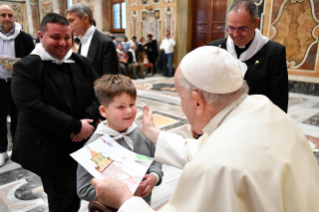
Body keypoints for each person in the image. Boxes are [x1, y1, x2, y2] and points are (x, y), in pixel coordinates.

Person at [90, 46, 319, 212]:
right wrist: (155, 134)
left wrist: (125, 200)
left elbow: (213, 158)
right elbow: (204, 148)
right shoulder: (263, 108)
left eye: (180, 97)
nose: (181, 105)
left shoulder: (216, 167)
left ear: (198, 102)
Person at [11, 13, 100, 212]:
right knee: (61, 197)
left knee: (78, 189)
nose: (63, 43)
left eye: (67, 37)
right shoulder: (25, 67)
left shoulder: (82, 63)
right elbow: (34, 107)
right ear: (41, 37)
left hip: (83, 140)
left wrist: (88, 124)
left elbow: (99, 94)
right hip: (50, 147)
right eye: (55, 37)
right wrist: (76, 126)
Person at [77, 74, 163, 204]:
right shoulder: (94, 146)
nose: (129, 111)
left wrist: (154, 176)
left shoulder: (143, 132)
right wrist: (116, 194)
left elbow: (156, 159)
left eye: (132, 104)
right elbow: (83, 189)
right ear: (104, 111)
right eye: (121, 107)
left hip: (144, 204)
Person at [208, 0, 288, 113]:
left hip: (256, 121)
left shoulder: (274, 53)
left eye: (242, 29)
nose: (235, 34)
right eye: (231, 28)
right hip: (223, 121)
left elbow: (279, 100)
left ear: (256, 23)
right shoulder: (215, 48)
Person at [0, 5, 34, 167]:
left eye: (10, 15)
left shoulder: (25, 38)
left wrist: (19, 63)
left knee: (18, 118)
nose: (7, 18)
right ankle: (1, 151)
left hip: (17, 84)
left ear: (14, 18)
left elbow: (33, 61)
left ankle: (18, 149)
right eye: (3, 15)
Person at [66, 2, 119, 76]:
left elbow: (109, 80)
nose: (69, 26)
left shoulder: (105, 43)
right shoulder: (82, 40)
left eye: (71, 21)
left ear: (85, 19)